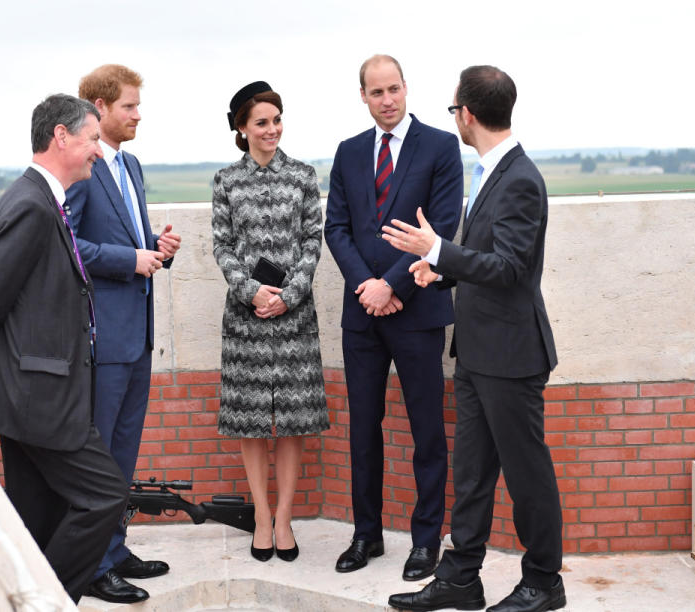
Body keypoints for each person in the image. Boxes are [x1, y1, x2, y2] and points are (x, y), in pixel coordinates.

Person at [384, 65, 565, 612]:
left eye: (453, 109)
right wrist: (442, 271)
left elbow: (511, 267)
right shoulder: (492, 171)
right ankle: (461, 578)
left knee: (527, 475)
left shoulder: (519, 178)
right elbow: (488, 259)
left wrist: (437, 250)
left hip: (512, 356)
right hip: (478, 352)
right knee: (472, 475)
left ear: (466, 114)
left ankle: (543, 583)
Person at [0, 94, 128, 603]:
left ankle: (14, 593)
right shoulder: (30, 204)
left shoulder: (43, 199)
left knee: (36, 514)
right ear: (61, 137)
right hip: (40, 397)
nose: (98, 150)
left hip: (37, 391)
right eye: (93, 138)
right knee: (105, 497)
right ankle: (46, 601)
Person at [323, 55, 463, 581]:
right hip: (363, 315)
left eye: (394, 89)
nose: (387, 100)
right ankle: (367, 535)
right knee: (365, 430)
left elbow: (444, 227)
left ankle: (426, 541)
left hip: (418, 312)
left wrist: (393, 285)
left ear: (407, 89)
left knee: (427, 432)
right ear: (362, 95)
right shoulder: (349, 152)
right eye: (376, 92)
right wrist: (369, 288)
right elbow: (336, 227)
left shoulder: (440, 147)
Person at [66, 64, 180, 604]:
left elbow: (129, 240)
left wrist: (155, 245)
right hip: (103, 341)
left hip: (138, 337)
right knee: (102, 457)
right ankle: (93, 567)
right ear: (98, 107)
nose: (138, 115)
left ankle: (116, 548)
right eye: (129, 106)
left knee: (125, 454)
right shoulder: (83, 167)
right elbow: (68, 248)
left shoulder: (130, 165)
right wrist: (130, 259)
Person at [211, 81, 329, 563]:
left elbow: (312, 241)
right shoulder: (225, 181)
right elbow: (221, 245)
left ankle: (284, 518)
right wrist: (251, 290)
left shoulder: (303, 176)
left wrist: (289, 294)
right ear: (242, 128)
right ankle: (261, 516)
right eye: (261, 122)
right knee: (253, 424)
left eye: (277, 120)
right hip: (245, 318)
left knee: (293, 424)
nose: (272, 129)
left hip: (294, 316)